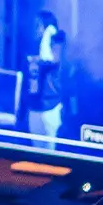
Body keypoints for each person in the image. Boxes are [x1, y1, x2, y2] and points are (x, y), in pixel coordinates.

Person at [26, 10, 68, 146]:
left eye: (38, 25)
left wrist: (47, 35)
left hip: (50, 108)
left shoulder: (57, 46)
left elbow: (48, 59)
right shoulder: (32, 47)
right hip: (34, 108)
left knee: (50, 157)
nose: (35, 29)